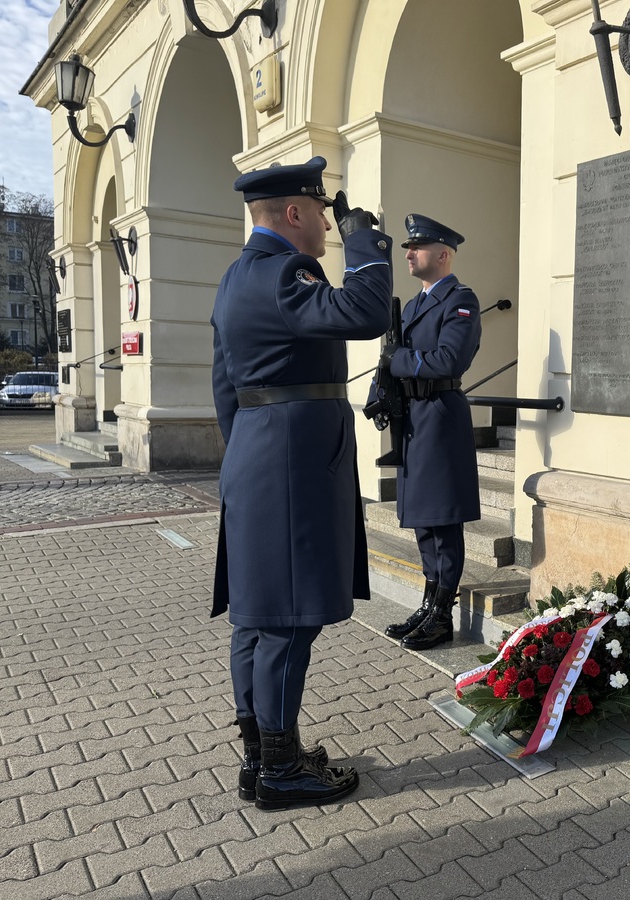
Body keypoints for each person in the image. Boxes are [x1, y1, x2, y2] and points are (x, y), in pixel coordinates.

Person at [210, 156, 394, 810]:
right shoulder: (286, 271)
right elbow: (366, 312)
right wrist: (365, 237)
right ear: (295, 213)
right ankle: (283, 772)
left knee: (256, 617)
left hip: (259, 457)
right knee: (286, 621)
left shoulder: (237, 278)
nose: (325, 224)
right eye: (320, 213)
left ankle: (261, 756)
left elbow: (224, 388)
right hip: (287, 462)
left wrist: (246, 460)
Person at [376, 214, 482, 651]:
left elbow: (446, 361)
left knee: (443, 519)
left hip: (439, 414)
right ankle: (428, 603)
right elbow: (390, 357)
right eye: (407, 247)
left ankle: (443, 614)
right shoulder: (415, 304)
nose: (408, 254)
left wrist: (396, 362)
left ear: (443, 254)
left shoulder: (461, 300)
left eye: (416, 247)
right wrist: (381, 392)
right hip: (413, 418)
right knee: (421, 517)